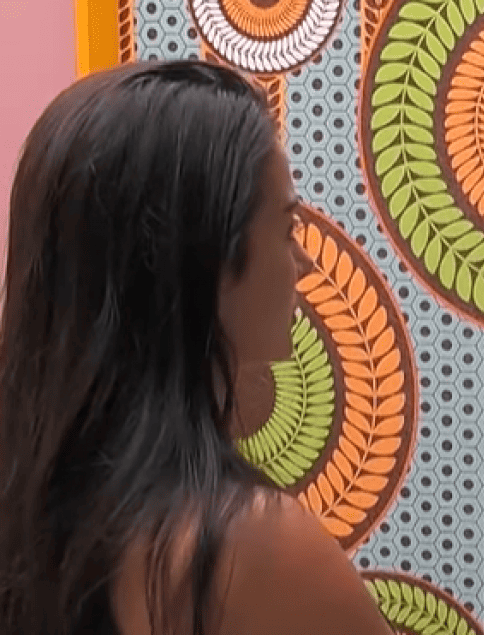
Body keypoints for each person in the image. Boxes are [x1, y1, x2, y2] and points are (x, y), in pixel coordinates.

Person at [0, 61, 395, 635]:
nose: (304, 263)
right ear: (203, 258)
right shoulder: (248, 546)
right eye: (286, 227)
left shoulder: (33, 526)